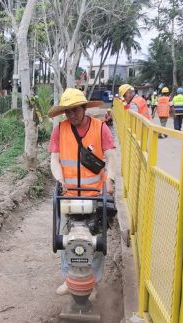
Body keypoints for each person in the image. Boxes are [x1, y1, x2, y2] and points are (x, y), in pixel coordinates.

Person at [47, 88, 117, 295]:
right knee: (66, 238)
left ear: (84, 108)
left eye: (75, 110)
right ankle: (69, 280)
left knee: (96, 242)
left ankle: (92, 282)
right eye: (67, 112)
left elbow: (111, 156)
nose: (71, 115)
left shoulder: (100, 128)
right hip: (68, 195)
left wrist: (110, 180)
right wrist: (59, 179)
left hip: (94, 194)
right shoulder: (59, 130)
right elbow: (54, 159)